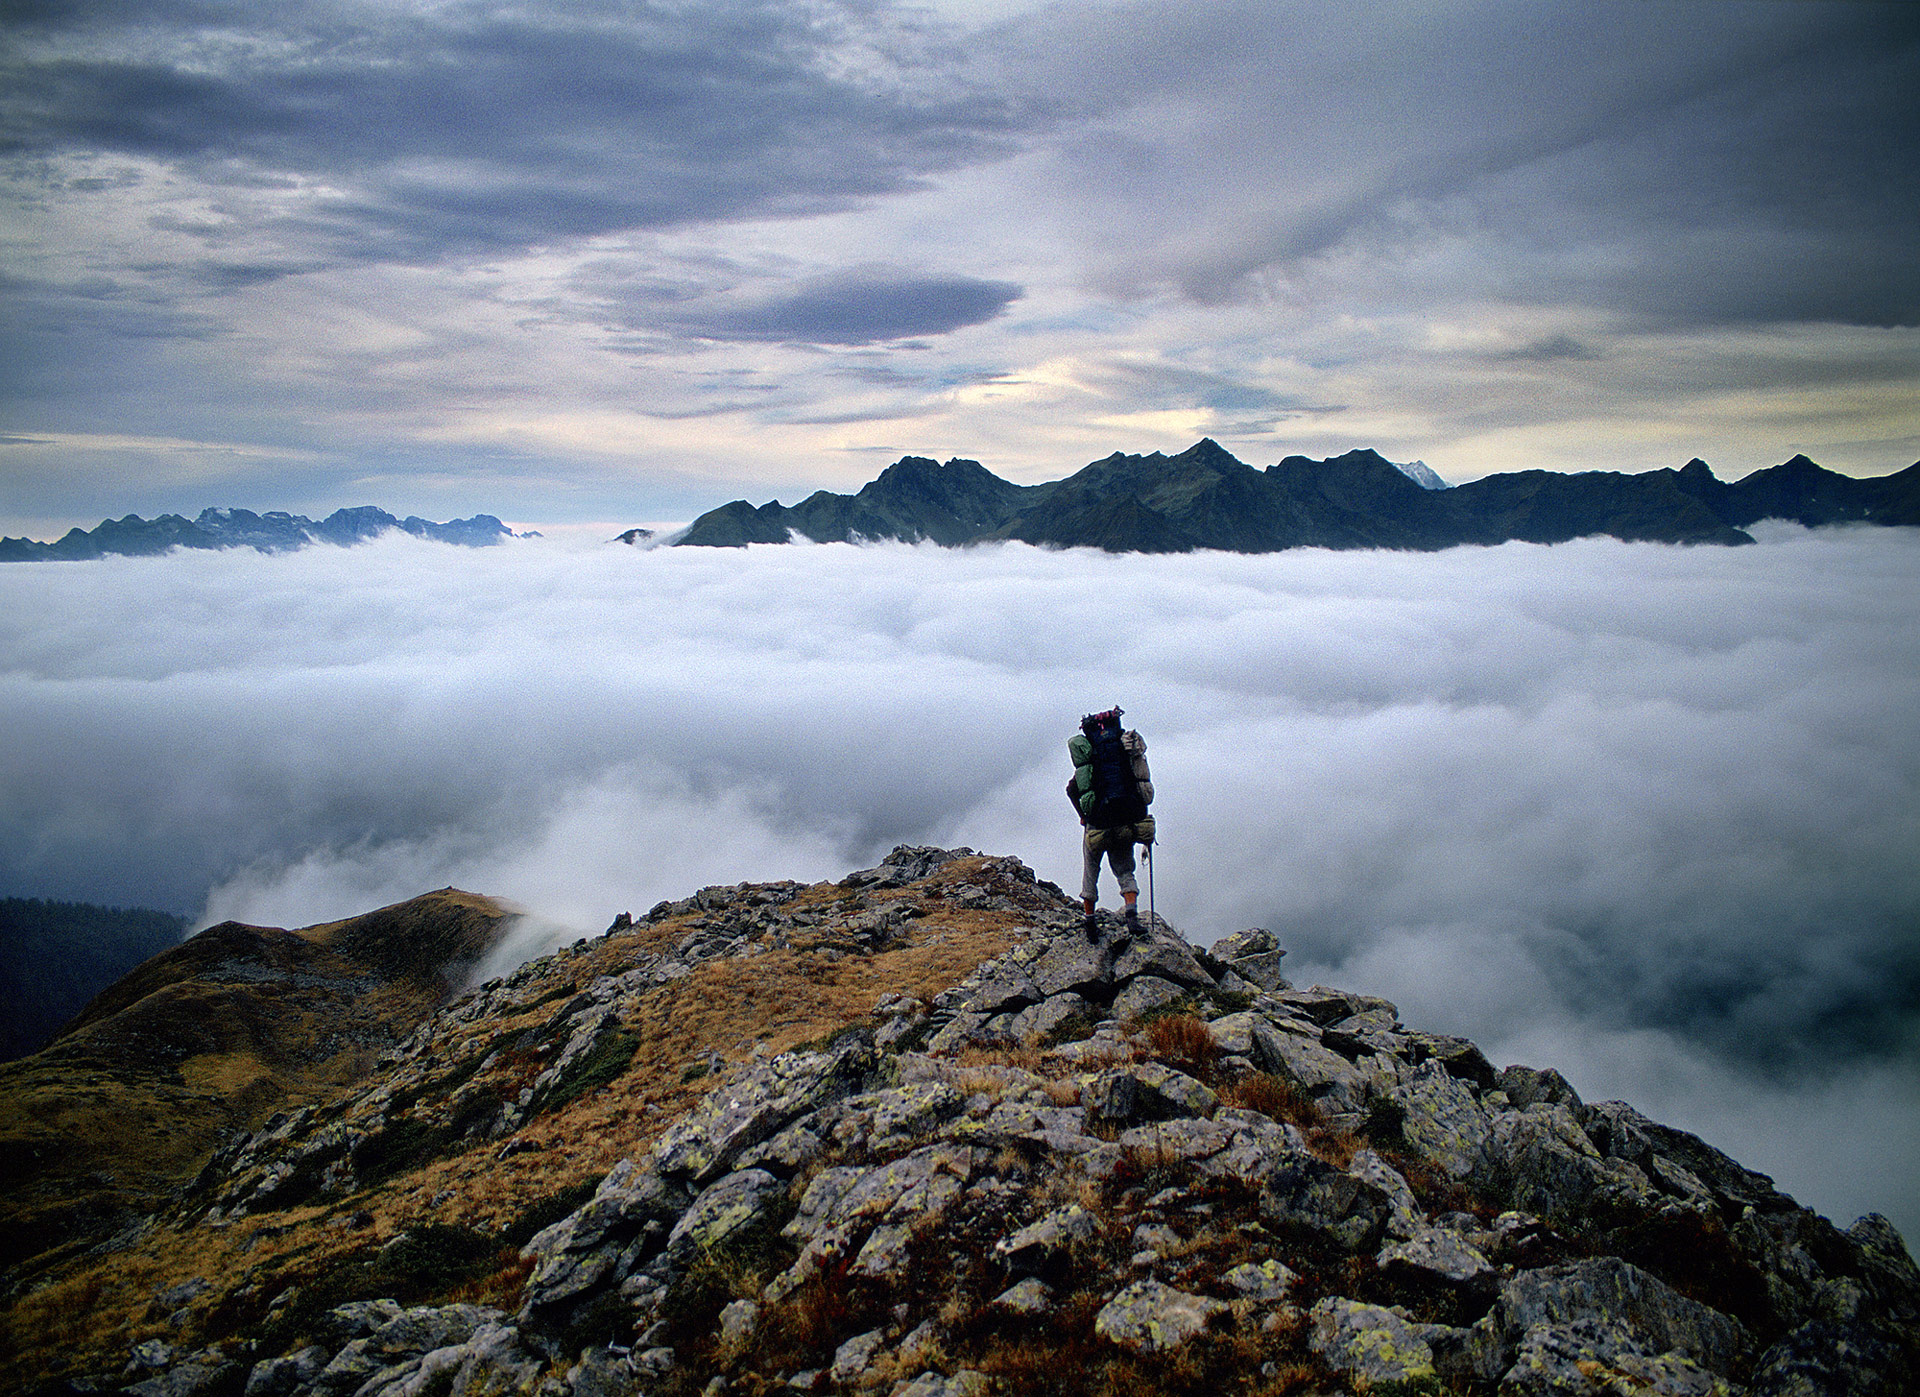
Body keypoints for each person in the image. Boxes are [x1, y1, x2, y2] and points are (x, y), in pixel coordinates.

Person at [1067, 707, 1155, 941]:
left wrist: (1083, 815)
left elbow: (1071, 790)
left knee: (1090, 873)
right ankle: (1132, 917)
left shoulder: (1089, 764)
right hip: (1124, 823)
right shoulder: (1124, 757)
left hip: (1097, 826)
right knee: (1125, 871)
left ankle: (1090, 923)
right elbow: (1140, 784)